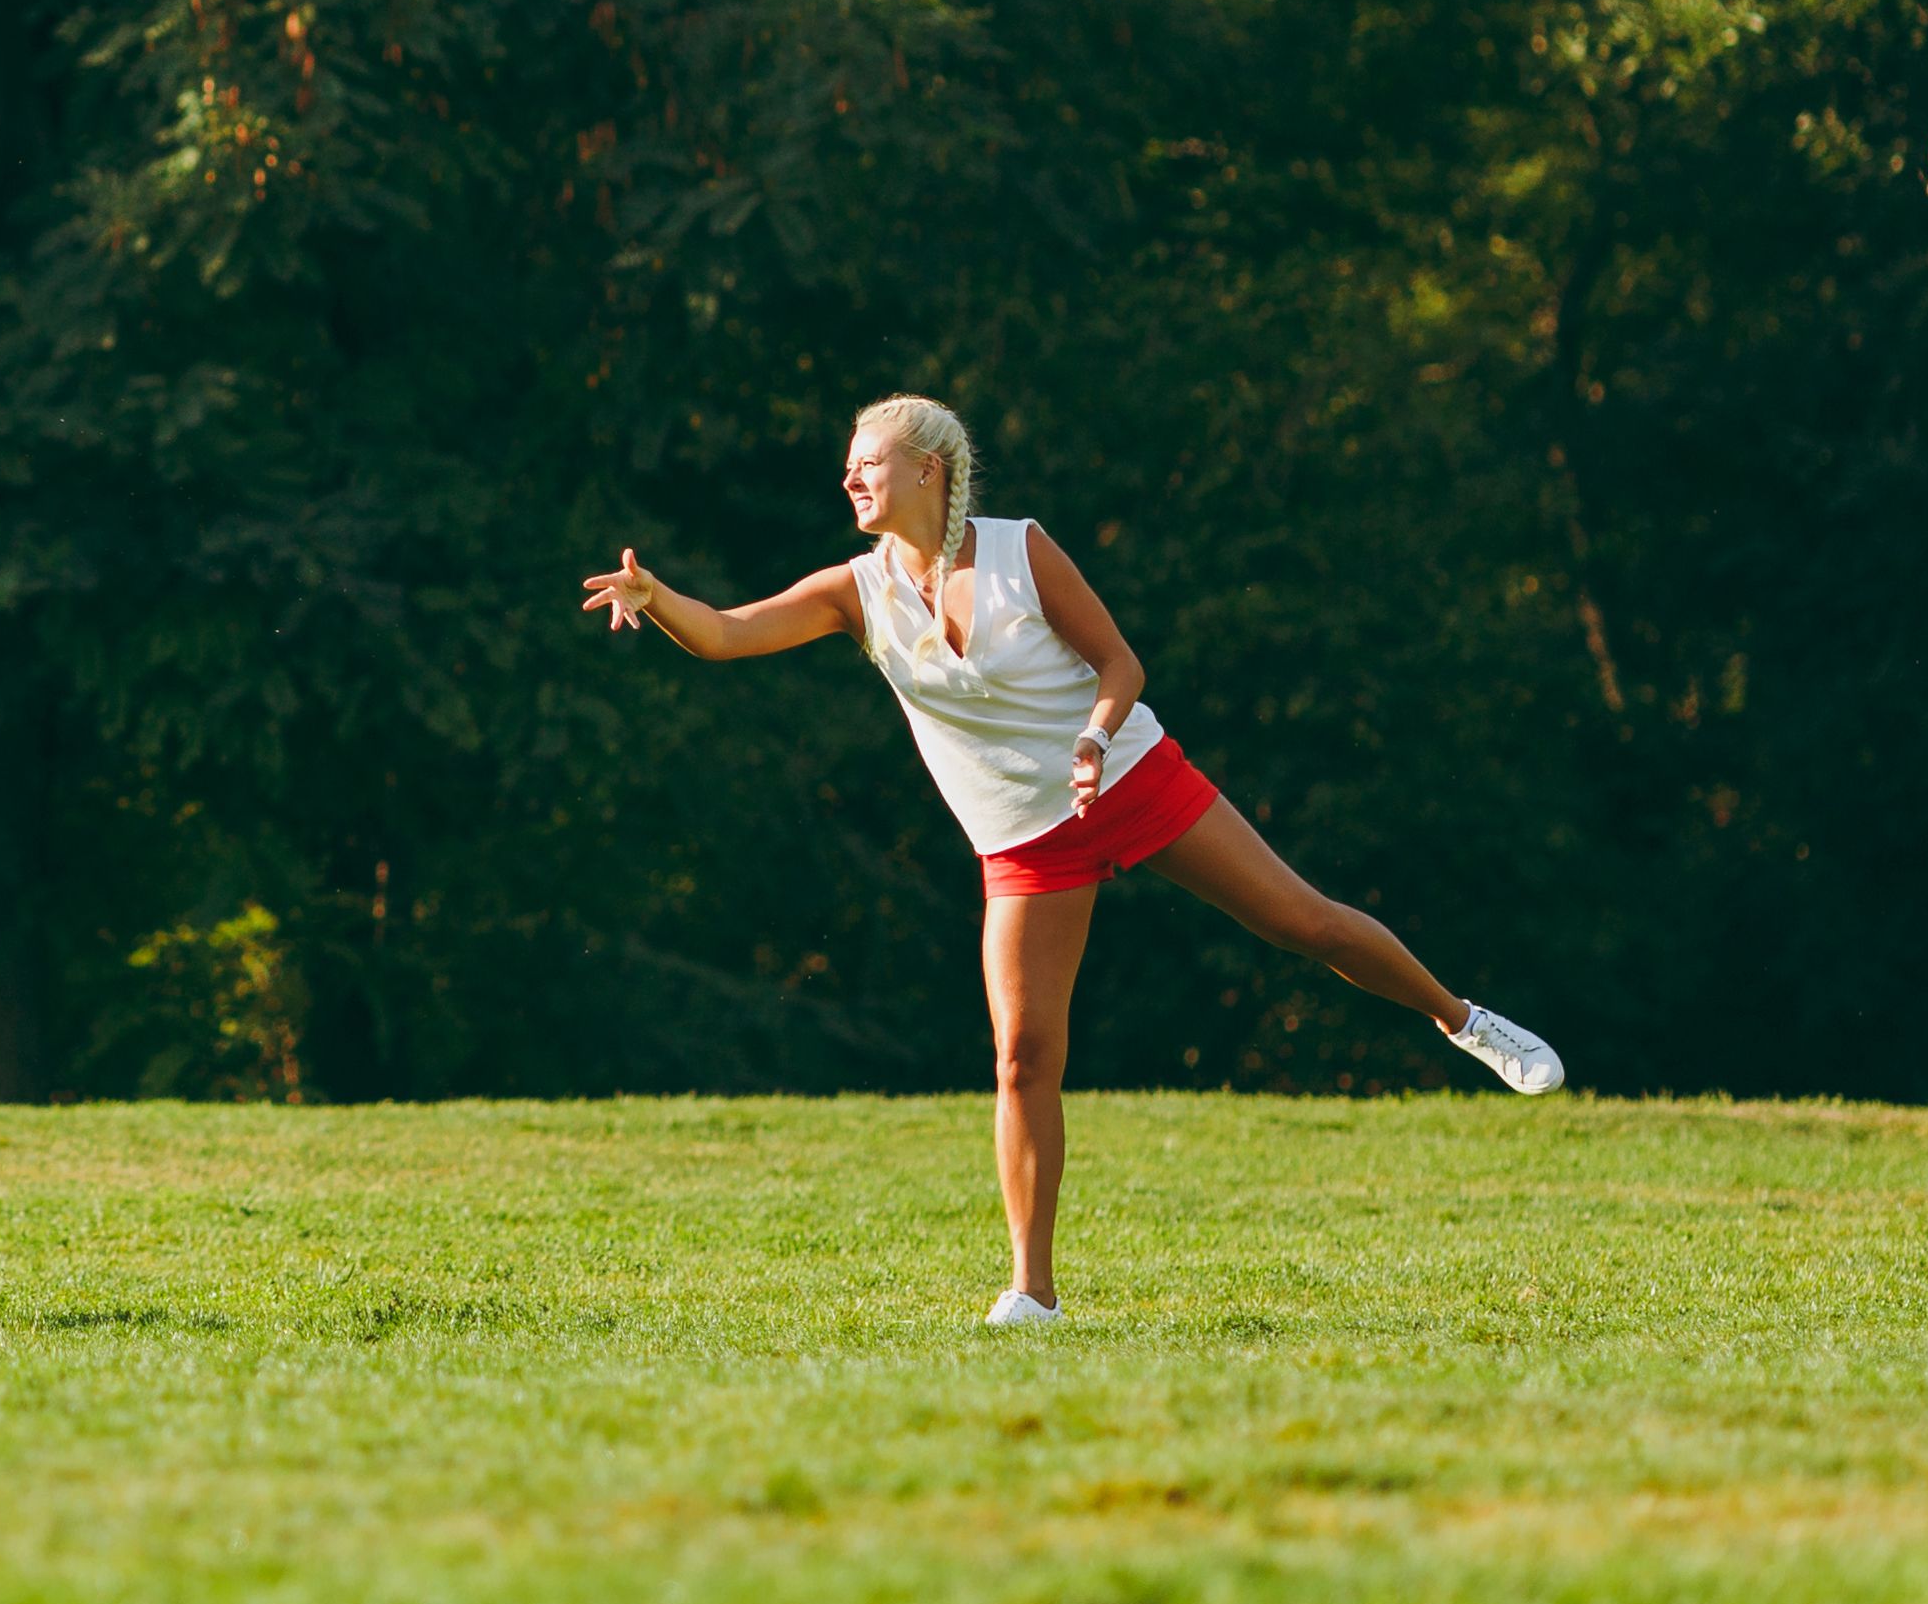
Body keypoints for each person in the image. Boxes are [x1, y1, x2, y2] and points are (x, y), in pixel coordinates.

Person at [582, 393, 1561, 1325]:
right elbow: (726, 634)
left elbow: (1120, 663)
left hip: (1129, 778)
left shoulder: (1019, 549)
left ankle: (1462, 1019)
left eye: (867, 462)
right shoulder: (856, 590)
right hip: (1023, 839)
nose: (850, 480)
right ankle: (1033, 1296)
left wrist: (1094, 739)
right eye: (846, 467)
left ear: (928, 469)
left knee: (1303, 923)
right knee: (1022, 1056)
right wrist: (654, 596)